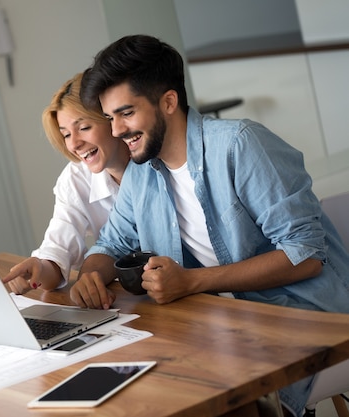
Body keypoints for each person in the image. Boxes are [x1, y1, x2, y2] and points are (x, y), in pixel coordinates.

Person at [72, 34, 349, 416]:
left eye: (126, 113)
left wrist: (192, 281)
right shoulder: (143, 171)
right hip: (222, 323)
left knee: (199, 396)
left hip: (303, 318)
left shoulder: (240, 145)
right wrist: (90, 275)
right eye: (109, 118)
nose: (117, 130)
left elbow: (304, 256)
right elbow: (112, 244)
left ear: (168, 102)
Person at [2, 72, 129, 295]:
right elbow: (58, 250)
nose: (75, 144)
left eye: (84, 128)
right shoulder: (75, 179)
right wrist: (38, 269)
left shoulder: (155, 164)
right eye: (66, 134)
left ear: (111, 119)